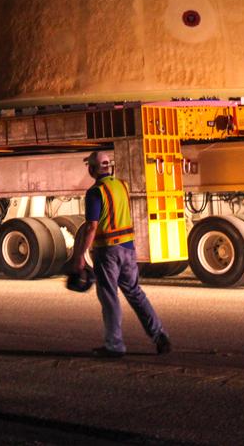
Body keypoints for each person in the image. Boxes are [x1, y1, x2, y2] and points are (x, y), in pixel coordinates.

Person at [68, 150, 171, 358]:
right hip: (128, 249)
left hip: (108, 251)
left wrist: (80, 255)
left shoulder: (96, 192)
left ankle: (114, 345)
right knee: (134, 292)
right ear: (109, 166)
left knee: (109, 297)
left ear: (92, 169)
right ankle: (159, 335)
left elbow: (91, 227)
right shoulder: (121, 186)